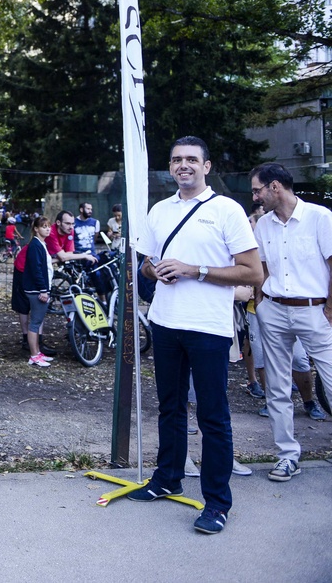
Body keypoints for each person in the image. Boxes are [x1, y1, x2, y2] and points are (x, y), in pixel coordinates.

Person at [129, 136, 261, 535]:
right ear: (170, 168)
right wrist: (157, 270)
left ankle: (217, 503)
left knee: (212, 416)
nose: (183, 165)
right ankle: (168, 477)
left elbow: (252, 273)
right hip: (166, 323)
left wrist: (194, 270)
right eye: (176, 160)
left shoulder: (226, 210)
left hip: (208, 328)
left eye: (191, 159)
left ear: (206, 167)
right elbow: (147, 264)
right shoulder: (160, 209)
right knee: (169, 407)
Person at [249, 162, 332, 482]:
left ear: (275, 187)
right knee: (278, 388)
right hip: (274, 311)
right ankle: (287, 455)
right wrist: (260, 301)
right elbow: (263, 268)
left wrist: (329, 309)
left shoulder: (320, 218)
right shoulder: (264, 225)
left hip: (314, 310)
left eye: (258, 189)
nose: (255, 196)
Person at [20, 216, 55, 368]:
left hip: (39, 288)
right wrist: (43, 290)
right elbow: (36, 270)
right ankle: (34, 355)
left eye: (48, 226)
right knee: (35, 324)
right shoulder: (35, 245)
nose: (47, 229)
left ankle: (37, 352)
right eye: (43, 226)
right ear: (36, 229)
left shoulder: (41, 244)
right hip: (36, 290)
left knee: (37, 321)